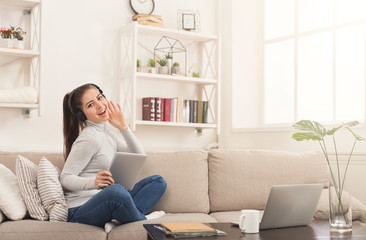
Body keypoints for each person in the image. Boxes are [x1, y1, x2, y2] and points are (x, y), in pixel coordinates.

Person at [60, 83, 167, 229]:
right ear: (81, 115)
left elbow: (139, 155)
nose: (100, 105)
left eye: (100, 97)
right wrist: (94, 182)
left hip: (106, 200)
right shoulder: (89, 138)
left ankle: (121, 219)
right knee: (116, 192)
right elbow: (65, 178)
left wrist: (123, 127)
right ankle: (143, 218)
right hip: (79, 210)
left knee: (157, 182)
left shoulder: (106, 133)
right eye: (91, 104)